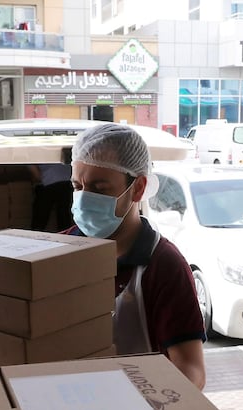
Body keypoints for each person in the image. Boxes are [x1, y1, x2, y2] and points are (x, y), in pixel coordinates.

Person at [64, 123, 206, 389]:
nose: (83, 199)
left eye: (99, 188)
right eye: (77, 186)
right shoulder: (59, 249)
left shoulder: (163, 265)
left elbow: (191, 371)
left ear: (138, 188)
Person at [28, 163, 73, 231]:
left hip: (48, 183)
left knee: (40, 217)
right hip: (68, 181)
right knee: (64, 216)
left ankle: (36, 236)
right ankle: (65, 237)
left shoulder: (30, 154)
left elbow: (36, 175)